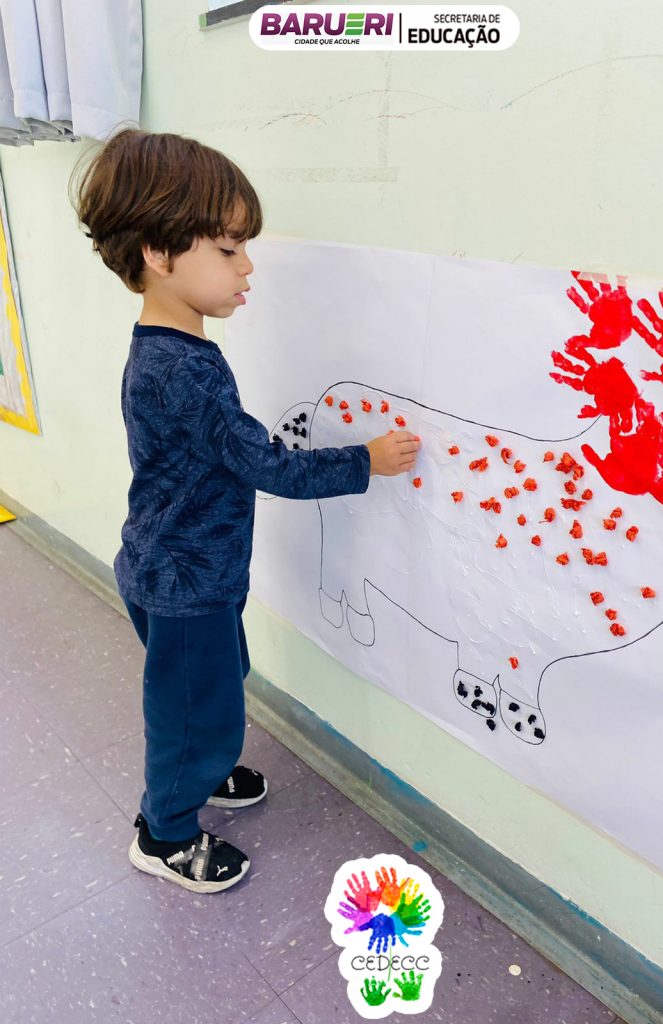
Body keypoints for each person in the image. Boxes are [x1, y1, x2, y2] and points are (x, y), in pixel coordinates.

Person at [69, 128, 420, 894]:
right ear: (159, 254)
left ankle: (205, 768)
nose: (247, 265)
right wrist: (366, 460)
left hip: (181, 565)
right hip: (185, 582)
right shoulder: (184, 374)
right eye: (228, 249)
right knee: (192, 713)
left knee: (218, 686)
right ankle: (164, 834)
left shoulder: (169, 348)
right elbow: (265, 465)